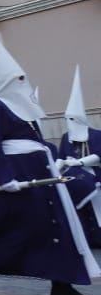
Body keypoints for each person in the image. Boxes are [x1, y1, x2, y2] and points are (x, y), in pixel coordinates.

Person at [0, 0, 100, 295]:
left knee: (58, 227)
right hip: (17, 176)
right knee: (17, 226)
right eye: (17, 79)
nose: (23, 82)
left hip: (42, 173)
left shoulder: (26, 109)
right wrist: (5, 176)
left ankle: (63, 285)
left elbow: (39, 142)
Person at [59, 68, 100, 247]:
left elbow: (99, 155)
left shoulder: (96, 135)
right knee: (78, 211)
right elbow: (61, 158)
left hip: (96, 180)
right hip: (73, 181)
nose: (70, 123)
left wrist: (79, 162)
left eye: (72, 119)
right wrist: (55, 167)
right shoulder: (65, 137)